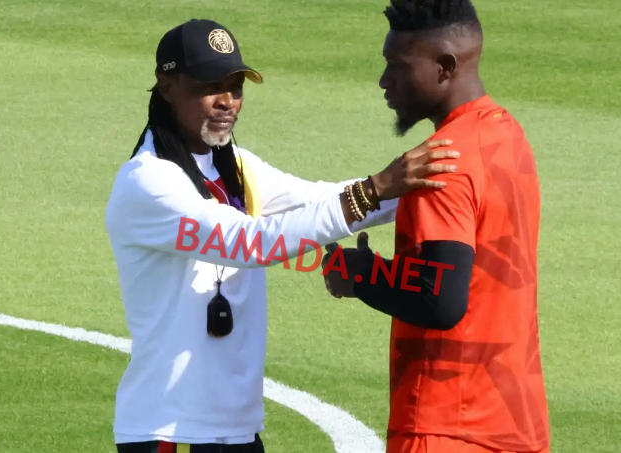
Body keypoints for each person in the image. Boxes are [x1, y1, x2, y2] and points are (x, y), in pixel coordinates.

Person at [105, 19, 459, 453]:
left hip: (233, 428)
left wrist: (437, 187)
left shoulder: (235, 165)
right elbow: (251, 243)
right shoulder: (148, 182)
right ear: (167, 86)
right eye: (210, 87)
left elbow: (317, 199)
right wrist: (374, 190)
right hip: (167, 431)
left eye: (236, 87)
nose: (227, 101)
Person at [322, 1, 550, 452]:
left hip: (445, 425)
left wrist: (360, 274)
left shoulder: (439, 163)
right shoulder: (508, 136)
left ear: (445, 67)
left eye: (398, 65)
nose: (384, 80)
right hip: (516, 422)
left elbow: (440, 301)